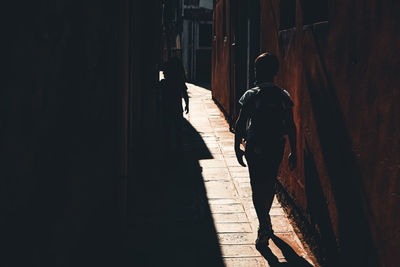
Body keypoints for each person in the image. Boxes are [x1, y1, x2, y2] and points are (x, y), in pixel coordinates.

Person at [234, 52, 297, 249]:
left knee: (256, 185)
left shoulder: (251, 95)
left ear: (258, 72)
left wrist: (237, 146)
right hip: (276, 145)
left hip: (255, 145)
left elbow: (240, 123)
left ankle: (264, 224)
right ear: (275, 71)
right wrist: (294, 150)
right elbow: (291, 125)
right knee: (269, 183)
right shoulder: (283, 96)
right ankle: (265, 221)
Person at [159, 57, 189, 152]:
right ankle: (179, 148)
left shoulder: (164, 83)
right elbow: (185, 94)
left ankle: (168, 148)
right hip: (177, 108)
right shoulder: (179, 81)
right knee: (178, 129)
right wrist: (187, 105)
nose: (163, 73)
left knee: (167, 129)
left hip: (166, 108)